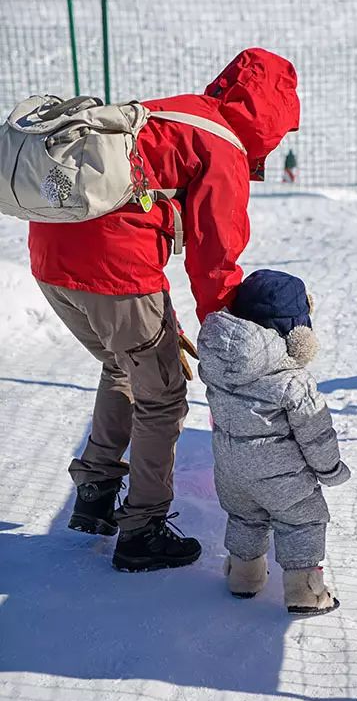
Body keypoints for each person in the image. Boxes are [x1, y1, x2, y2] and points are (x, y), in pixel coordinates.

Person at [29, 48, 300, 572]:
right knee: (164, 393)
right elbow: (214, 261)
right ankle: (143, 530)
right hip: (111, 265)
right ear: (270, 116)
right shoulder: (222, 146)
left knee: (122, 364)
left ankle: (95, 494)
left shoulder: (173, 112)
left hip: (48, 253)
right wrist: (229, 349)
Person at [197, 269, 350, 615]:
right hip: (283, 479)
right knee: (302, 520)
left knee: (244, 518)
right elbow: (316, 435)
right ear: (296, 331)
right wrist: (330, 469)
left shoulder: (218, 364)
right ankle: (305, 592)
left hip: (230, 471)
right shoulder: (293, 380)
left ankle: (243, 576)